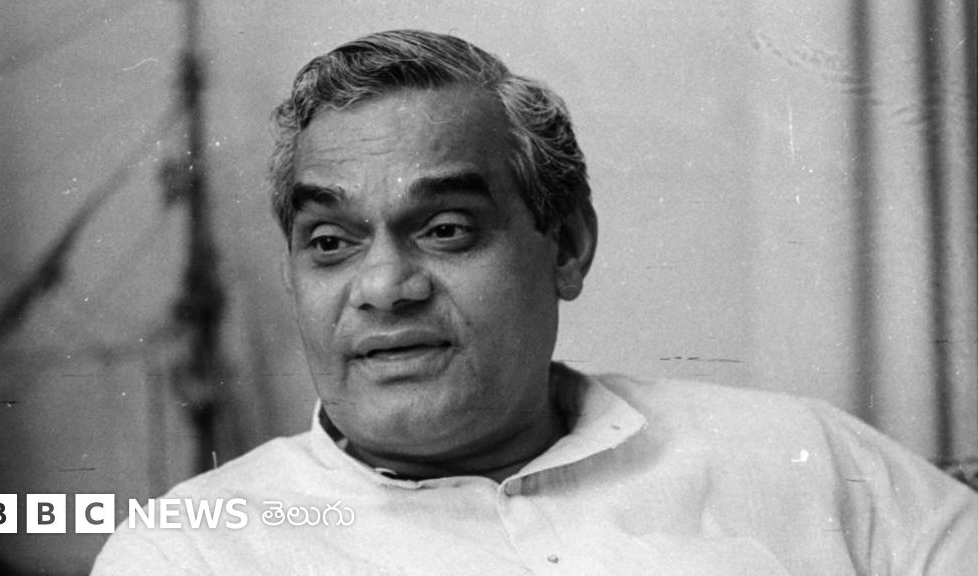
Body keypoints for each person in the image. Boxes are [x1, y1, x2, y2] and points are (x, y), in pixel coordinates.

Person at [93, 29, 978, 575]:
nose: (385, 287)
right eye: (331, 242)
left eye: (445, 229)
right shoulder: (189, 552)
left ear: (568, 246)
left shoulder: (803, 456)